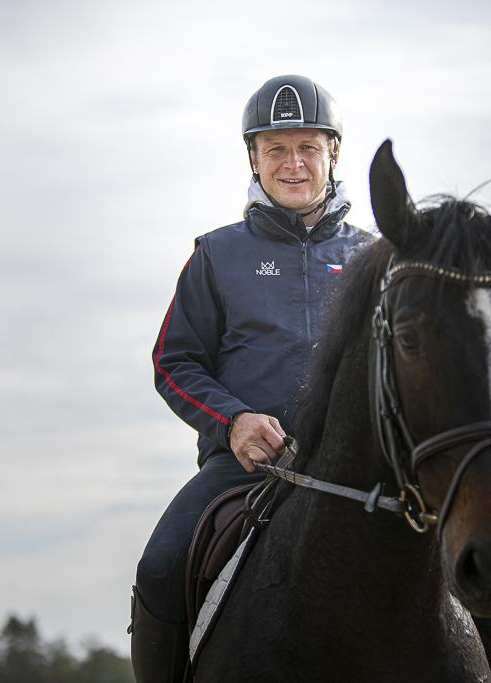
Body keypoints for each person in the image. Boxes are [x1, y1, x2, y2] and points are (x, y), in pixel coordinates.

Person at [129, 74, 370, 683]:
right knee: (159, 568)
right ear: (254, 159)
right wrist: (232, 420)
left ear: (333, 154)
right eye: (276, 149)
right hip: (246, 468)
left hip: (362, 471)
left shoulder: (375, 258)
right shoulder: (216, 255)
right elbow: (173, 362)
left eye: (308, 147)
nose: (293, 164)